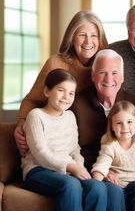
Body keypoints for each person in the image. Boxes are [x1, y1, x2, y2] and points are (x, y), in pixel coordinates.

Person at [15, 10, 108, 156]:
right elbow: (32, 99)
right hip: (58, 140)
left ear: (101, 39)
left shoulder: (105, 65)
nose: (88, 42)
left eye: (94, 36)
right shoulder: (56, 63)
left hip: (91, 137)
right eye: (82, 35)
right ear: (71, 38)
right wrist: (21, 123)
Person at [21, 69, 107, 211]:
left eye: (71, 93)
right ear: (47, 91)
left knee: (97, 186)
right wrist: (70, 167)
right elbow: (40, 152)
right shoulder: (35, 116)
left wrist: (79, 168)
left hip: (67, 172)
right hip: (37, 170)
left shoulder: (70, 116)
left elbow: (75, 149)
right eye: (61, 90)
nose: (66, 97)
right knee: (71, 185)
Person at [70, 49, 135, 171]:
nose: (108, 79)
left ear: (122, 77)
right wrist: (101, 170)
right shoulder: (75, 104)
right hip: (88, 170)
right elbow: (70, 148)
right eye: (102, 72)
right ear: (93, 76)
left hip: (126, 172)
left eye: (114, 73)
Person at [92, 100, 135, 211]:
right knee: (112, 191)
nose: (125, 127)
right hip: (115, 182)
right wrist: (96, 182)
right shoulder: (110, 143)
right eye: (119, 123)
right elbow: (102, 164)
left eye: (129, 122)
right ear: (111, 126)